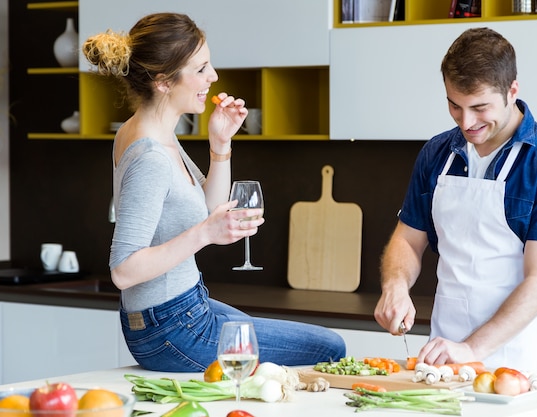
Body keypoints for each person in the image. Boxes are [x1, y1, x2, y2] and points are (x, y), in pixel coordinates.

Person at [82, 12, 345, 372]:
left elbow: (209, 206)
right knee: (330, 347)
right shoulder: (150, 155)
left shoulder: (152, 131)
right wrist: (205, 234)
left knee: (321, 345)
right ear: (163, 82)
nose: (214, 77)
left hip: (184, 310)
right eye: (202, 68)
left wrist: (220, 143)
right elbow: (124, 270)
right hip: (173, 329)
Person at [374, 27, 537, 382]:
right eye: (454, 105)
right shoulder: (436, 154)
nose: (466, 122)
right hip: (446, 356)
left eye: (480, 107)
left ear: (512, 90)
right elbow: (409, 238)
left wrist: (472, 349)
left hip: (525, 362)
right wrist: (395, 286)